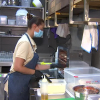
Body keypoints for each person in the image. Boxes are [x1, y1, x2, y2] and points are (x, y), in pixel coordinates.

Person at [5, 13, 66, 100]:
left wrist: (52, 65)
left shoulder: (29, 42)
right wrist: (34, 72)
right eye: (41, 29)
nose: (42, 32)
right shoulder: (25, 43)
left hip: (22, 83)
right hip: (17, 85)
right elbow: (18, 67)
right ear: (34, 26)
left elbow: (35, 66)